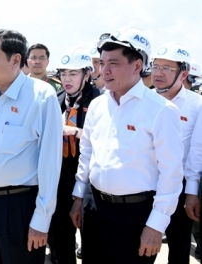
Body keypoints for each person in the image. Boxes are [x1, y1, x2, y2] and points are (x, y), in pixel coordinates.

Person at [69, 27, 184, 264]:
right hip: (95, 209)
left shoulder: (161, 111)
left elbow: (171, 173)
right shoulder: (98, 106)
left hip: (136, 215)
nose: (105, 70)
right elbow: (87, 154)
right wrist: (79, 198)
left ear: (137, 65)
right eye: (102, 63)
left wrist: (155, 225)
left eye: (114, 63)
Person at [0, 29, 62, 264]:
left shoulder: (41, 97)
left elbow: (50, 164)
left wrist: (41, 220)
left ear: (16, 59)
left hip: (20, 207)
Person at [151, 42, 202, 264]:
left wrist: (191, 192)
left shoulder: (196, 104)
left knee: (179, 247)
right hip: (144, 185)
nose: (158, 73)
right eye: (155, 66)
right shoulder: (143, 99)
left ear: (183, 74)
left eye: (167, 68)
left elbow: (196, 151)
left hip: (178, 188)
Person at [51, 47, 100, 264]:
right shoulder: (56, 98)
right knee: (60, 234)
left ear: (86, 74)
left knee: (91, 237)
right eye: (63, 74)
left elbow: (104, 140)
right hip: (61, 175)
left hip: (89, 179)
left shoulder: (99, 101)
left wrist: (77, 132)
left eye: (73, 73)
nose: (67, 79)